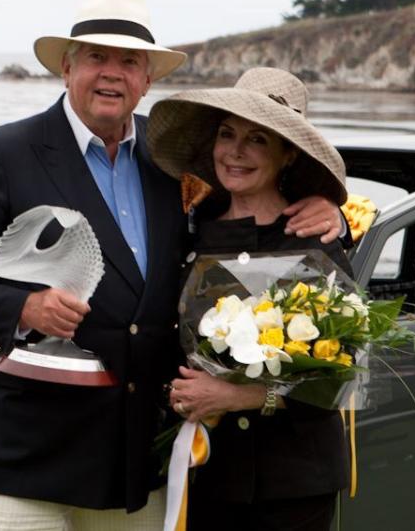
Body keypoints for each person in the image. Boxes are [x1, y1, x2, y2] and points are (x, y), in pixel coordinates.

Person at [0, 0, 346, 528]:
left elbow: (257, 205)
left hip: (136, 461)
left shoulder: (173, 165)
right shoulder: (2, 153)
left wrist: (333, 212)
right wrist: (24, 308)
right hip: (21, 460)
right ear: (67, 67)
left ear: (147, 80)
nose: (111, 74)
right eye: (96, 57)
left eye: (129, 62)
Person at [146, 67, 352, 531]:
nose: (235, 152)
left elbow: (342, 374)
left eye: (258, 139)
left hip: (294, 483)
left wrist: (238, 396)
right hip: (209, 471)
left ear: (288, 156)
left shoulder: (315, 237)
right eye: (227, 133)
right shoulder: (191, 228)